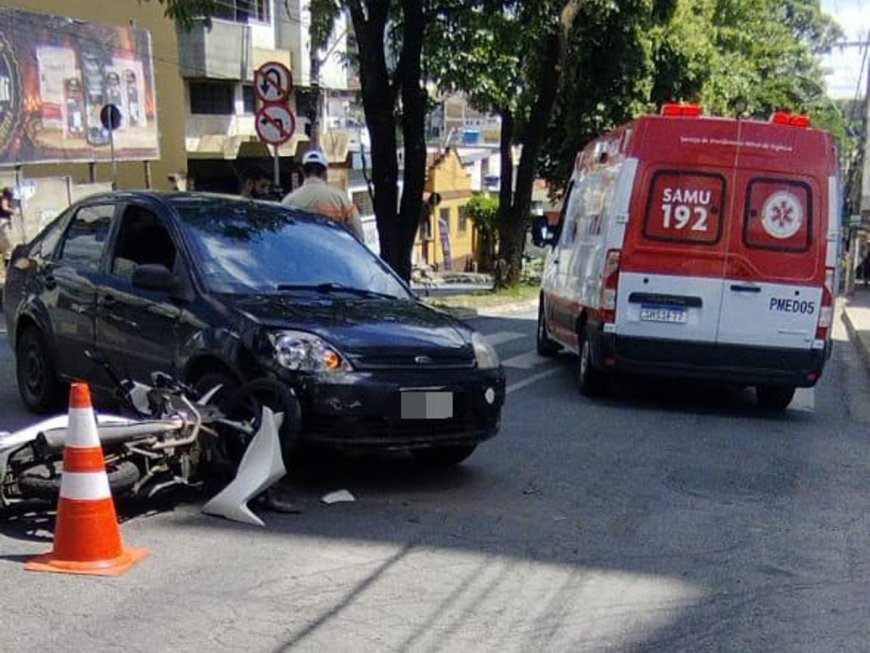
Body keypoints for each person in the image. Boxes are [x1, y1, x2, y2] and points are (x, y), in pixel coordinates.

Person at [281, 150, 364, 239]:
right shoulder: (341, 199)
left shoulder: (288, 201)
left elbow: (282, 235)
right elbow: (358, 234)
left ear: (302, 171)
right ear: (325, 172)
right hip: (334, 251)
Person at [0, 187, 15, 264]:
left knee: (5, 245)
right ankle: (7, 264)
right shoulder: (4, 198)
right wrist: (13, 211)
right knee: (8, 243)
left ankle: (6, 262)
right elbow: (4, 207)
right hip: (3, 221)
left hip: (3, 221)